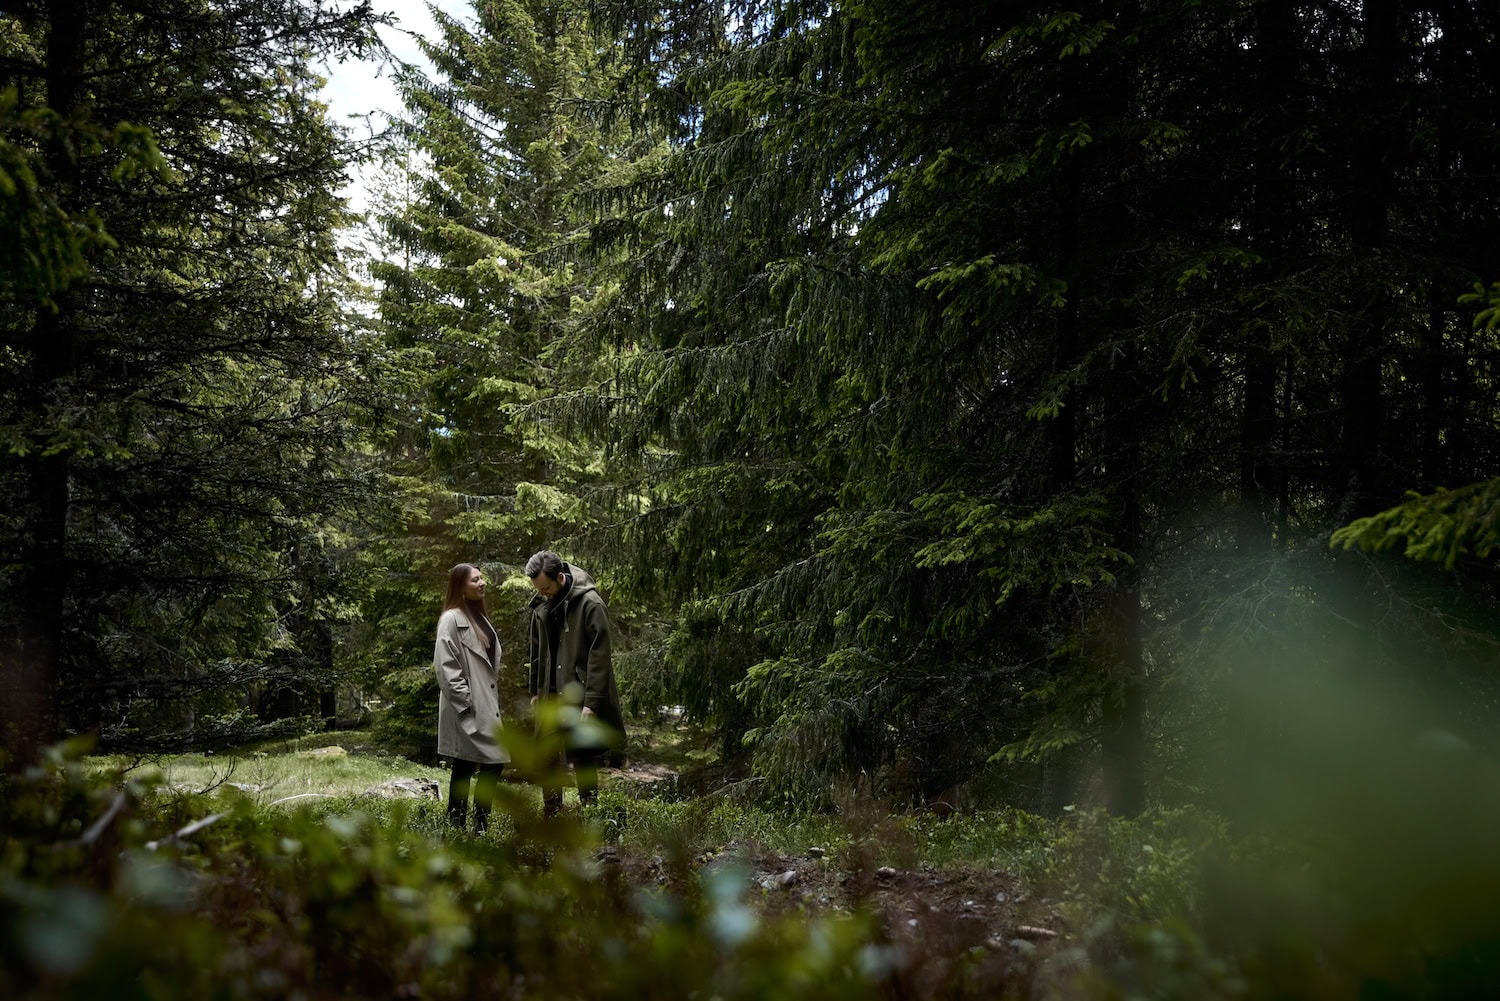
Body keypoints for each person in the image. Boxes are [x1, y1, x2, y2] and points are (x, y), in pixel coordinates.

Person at [524, 550, 624, 814]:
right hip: (549, 692)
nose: (542, 593)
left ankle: (589, 810)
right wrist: (535, 689)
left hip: (578, 692)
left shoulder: (591, 604)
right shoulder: (542, 603)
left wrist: (591, 703)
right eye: (538, 589)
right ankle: (552, 813)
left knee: (583, 755)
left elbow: (600, 657)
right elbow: (536, 649)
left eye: (546, 588)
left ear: (560, 578)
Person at [434, 562, 508, 832]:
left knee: (483, 762)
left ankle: (478, 823)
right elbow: (445, 667)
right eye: (475, 580)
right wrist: (465, 703)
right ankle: (460, 824)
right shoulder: (451, 619)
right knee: (469, 763)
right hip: (465, 706)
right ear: (460, 586)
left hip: (483, 705)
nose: (482, 583)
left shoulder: (479, 617)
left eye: (481, 577)